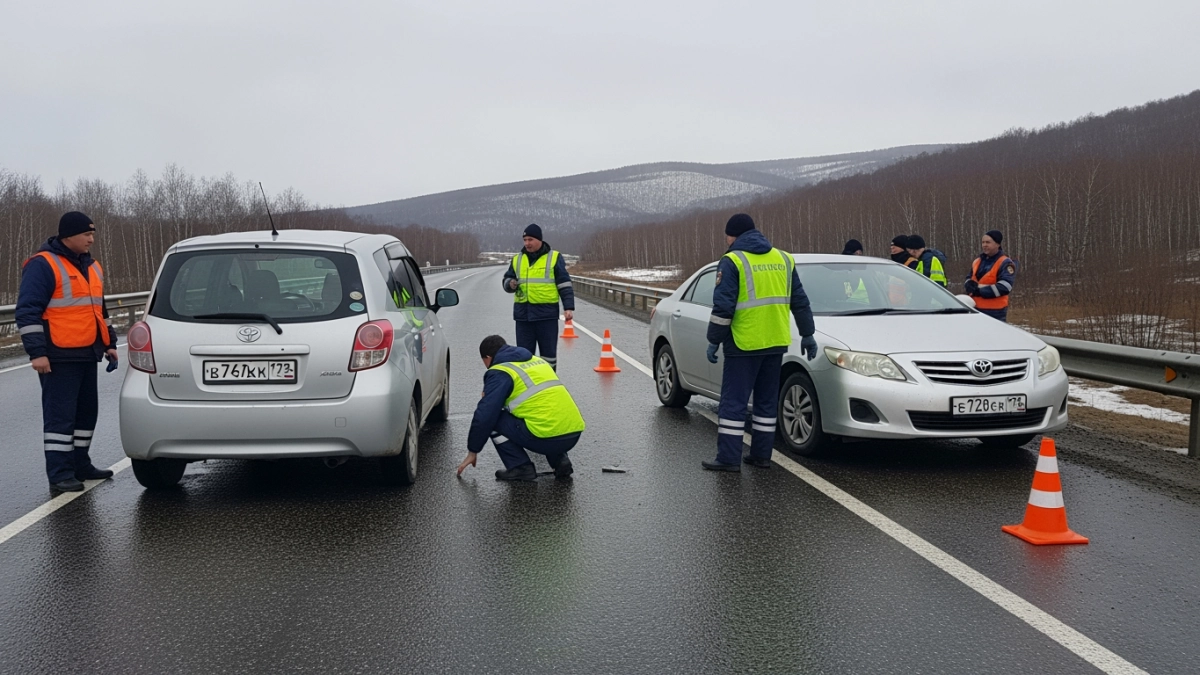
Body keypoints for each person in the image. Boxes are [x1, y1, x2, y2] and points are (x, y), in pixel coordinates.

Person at [703, 214, 816, 472]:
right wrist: (807, 333)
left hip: (744, 343)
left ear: (733, 235)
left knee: (734, 403)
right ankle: (761, 456)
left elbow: (723, 308)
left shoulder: (733, 261)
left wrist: (713, 340)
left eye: (727, 236)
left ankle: (729, 459)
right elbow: (800, 300)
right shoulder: (783, 258)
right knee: (766, 403)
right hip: (775, 341)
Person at [16, 212, 119, 492]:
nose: (91, 239)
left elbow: (99, 309)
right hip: (57, 354)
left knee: (86, 413)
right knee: (60, 416)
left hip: (87, 351)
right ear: (68, 236)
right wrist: (37, 353)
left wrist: (109, 342)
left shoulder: (92, 266)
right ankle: (60, 473)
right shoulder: (43, 264)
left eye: (93, 234)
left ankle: (80, 464)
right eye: (86, 234)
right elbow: (27, 311)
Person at [457, 335, 586, 482]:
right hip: (573, 433)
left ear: (487, 357)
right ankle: (561, 461)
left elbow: (485, 415)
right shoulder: (536, 361)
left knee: (494, 418)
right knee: (543, 414)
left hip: (546, 437)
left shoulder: (500, 371)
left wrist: (473, 450)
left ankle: (520, 467)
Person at [502, 224, 574, 371]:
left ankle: (548, 388)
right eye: (525, 240)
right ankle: (527, 390)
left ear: (539, 240)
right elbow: (506, 279)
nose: (527, 243)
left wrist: (568, 307)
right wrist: (510, 284)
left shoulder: (553, 258)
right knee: (523, 358)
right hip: (523, 317)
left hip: (546, 316)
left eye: (530, 239)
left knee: (548, 358)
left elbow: (564, 283)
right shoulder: (517, 259)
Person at [965, 229, 1016, 322]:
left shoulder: (1005, 262)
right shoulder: (977, 261)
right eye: (983, 242)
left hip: (995, 312)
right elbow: (969, 278)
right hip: (975, 309)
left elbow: (1005, 286)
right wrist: (968, 285)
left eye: (988, 242)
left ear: (997, 244)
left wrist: (980, 291)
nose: (984, 245)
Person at [840, 239, 868, 303]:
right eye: (855, 253)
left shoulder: (867, 272)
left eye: (860, 254)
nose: (858, 257)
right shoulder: (838, 274)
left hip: (868, 308)